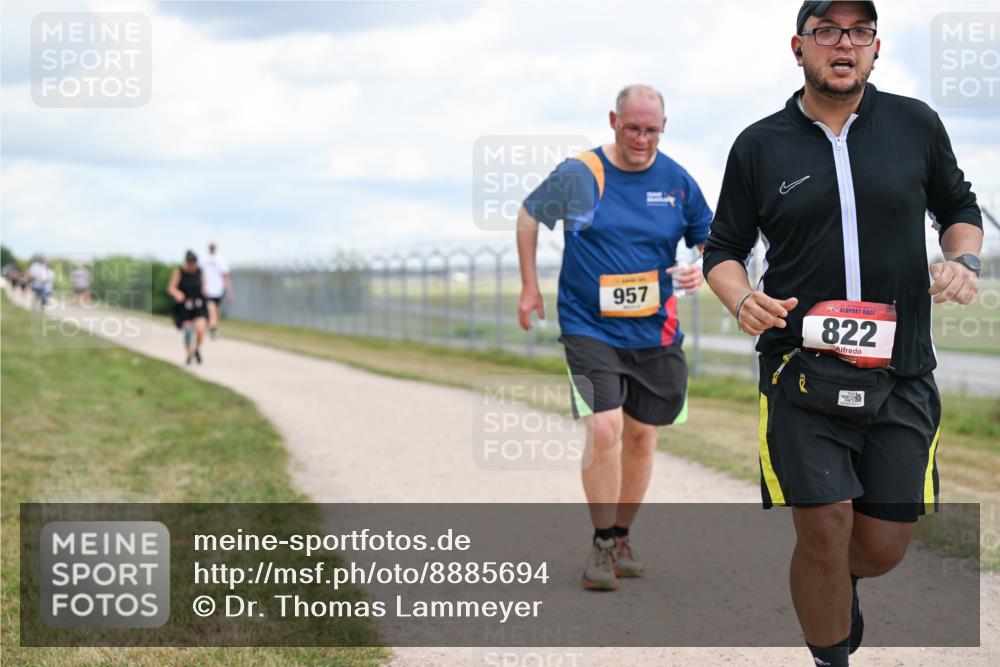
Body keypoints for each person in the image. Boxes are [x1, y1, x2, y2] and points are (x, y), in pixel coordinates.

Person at [702, 2, 983, 665]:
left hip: (902, 370)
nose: (843, 43)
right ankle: (830, 649)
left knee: (882, 546)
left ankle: (839, 580)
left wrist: (963, 258)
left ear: (875, 48)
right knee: (824, 527)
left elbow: (960, 208)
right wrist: (742, 298)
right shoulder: (759, 144)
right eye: (827, 31)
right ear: (798, 47)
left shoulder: (915, 125)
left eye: (857, 32)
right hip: (801, 370)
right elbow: (722, 250)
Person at [517, 84, 713, 591]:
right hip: (588, 327)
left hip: (655, 332)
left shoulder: (677, 182)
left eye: (651, 129)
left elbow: (710, 240)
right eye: (632, 128)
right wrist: (528, 285)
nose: (641, 138)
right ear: (613, 120)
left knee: (643, 435)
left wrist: (697, 268)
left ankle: (622, 537)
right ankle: (601, 544)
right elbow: (528, 214)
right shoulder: (581, 174)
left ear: (663, 127)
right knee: (605, 429)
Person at [167, 250, 209, 365]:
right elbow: (171, 288)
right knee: (188, 332)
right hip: (184, 306)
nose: (192, 266)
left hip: (198, 305)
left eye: (194, 263)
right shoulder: (179, 272)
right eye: (190, 263)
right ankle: (189, 354)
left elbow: (204, 285)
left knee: (200, 329)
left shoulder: (200, 272)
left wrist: (205, 290)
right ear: (186, 263)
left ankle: (196, 349)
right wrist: (177, 293)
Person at [200, 242, 232, 339]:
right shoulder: (203, 259)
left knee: (217, 310)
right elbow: (200, 274)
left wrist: (229, 291)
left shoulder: (220, 259)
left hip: (218, 289)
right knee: (211, 308)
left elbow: (225, 275)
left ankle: (215, 327)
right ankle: (213, 327)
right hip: (208, 289)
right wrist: (202, 286)